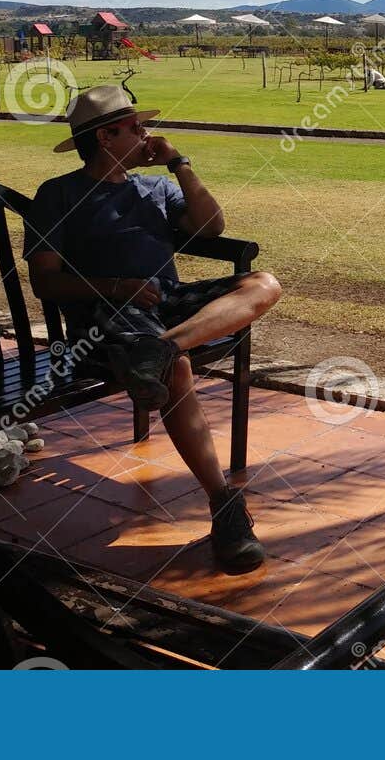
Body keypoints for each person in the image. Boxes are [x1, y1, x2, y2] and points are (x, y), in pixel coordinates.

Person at [23, 85, 282, 574]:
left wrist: (179, 163)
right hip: (107, 315)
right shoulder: (58, 195)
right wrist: (117, 285)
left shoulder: (156, 188)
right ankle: (225, 506)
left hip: (164, 309)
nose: (147, 135)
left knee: (263, 283)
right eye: (136, 128)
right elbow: (45, 279)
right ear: (106, 136)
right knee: (178, 371)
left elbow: (211, 226)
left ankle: (161, 350)